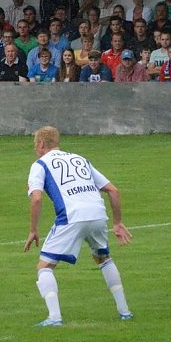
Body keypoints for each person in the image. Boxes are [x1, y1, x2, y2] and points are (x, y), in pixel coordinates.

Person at [24, 126, 133, 326]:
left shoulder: (40, 164)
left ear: (40, 144)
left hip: (72, 216)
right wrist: (117, 223)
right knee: (103, 258)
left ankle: (54, 317)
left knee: (44, 266)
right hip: (98, 214)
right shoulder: (80, 159)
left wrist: (33, 229)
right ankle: (124, 311)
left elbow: (36, 199)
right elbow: (113, 190)